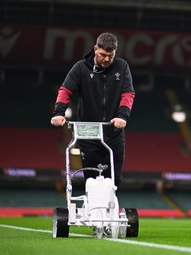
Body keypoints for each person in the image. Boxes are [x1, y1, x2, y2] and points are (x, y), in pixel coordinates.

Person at [50, 32, 135, 188]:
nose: (107, 59)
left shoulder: (122, 67)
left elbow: (128, 93)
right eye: (103, 54)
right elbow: (65, 90)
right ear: (96, 48)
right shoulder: (81, 68)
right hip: (89, 133)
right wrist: (59, 113)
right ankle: (91, 209)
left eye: (111, 55)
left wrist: (122, 116)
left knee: (114, 181)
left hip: (113, 133)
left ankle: (110, 210)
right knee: (91, 180)